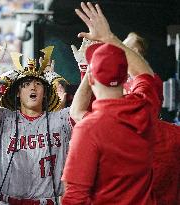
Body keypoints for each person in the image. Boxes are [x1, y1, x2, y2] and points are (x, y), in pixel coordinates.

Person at [62, 2, 161, 204]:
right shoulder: (145, 107)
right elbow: (144, 75)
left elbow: (74, 197)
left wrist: (89, 69)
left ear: (91, 79)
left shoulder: (89, 128)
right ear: (125, 75)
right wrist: (109, 38)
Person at [0, 43, 86, 205]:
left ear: (45, 93)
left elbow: (82, 109)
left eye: (38, 84)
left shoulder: (60, 119)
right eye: (26, 84)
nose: (33, 87)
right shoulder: (4, 117)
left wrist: (87, 70)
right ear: (17, 93)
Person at [123, 32, 180, 205]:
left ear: (137, 53)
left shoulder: (151, 80)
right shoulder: (116, 81)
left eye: (128, 46)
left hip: (153, 149)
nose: (122, 49)